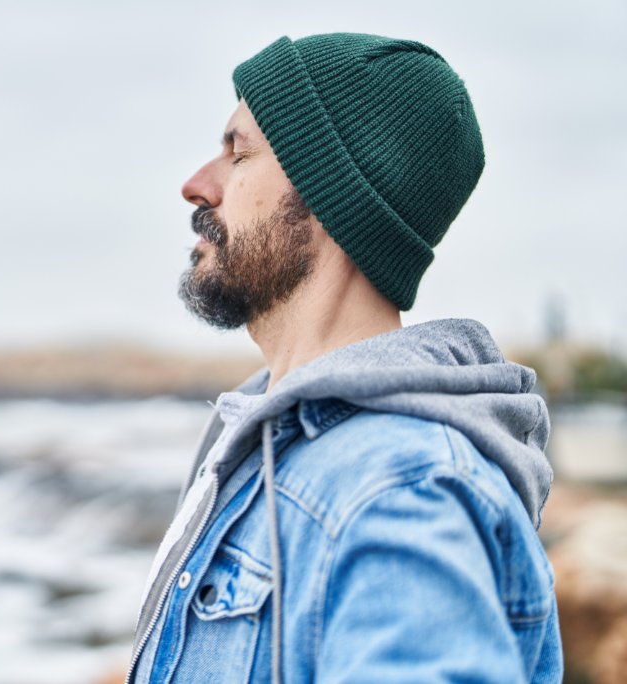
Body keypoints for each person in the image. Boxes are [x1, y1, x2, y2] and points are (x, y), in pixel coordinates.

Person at [129, 33, 562, 684]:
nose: (196, 186)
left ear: (333, 194)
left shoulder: (397, 488)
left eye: (237, 152)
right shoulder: (278, 444)